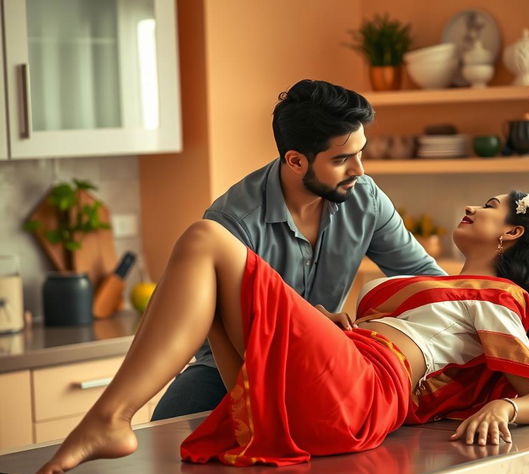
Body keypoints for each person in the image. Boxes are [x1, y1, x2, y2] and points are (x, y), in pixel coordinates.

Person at [27, 190, 529, 474]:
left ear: (512, 232)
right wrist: (343, 329)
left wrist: (505, 410)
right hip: (352, 379)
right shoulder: (446, 287)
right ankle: (112, 419)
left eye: (489, 207)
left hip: (364, 391)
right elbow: (419, 347)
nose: (472, 207)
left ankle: (108, 419)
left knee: (206, 238)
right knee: (218, 283)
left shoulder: (497, 296)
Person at [151, 79, 445, 421]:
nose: (359, 170)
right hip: (232, 370)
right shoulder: (232, 222)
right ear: (295, 161)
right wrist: (307, 323)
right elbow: (227, 330)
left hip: (326, 365)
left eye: (360, 153)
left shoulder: (366, 199)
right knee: (163, 434)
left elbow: (427, 284)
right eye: (342, 159)